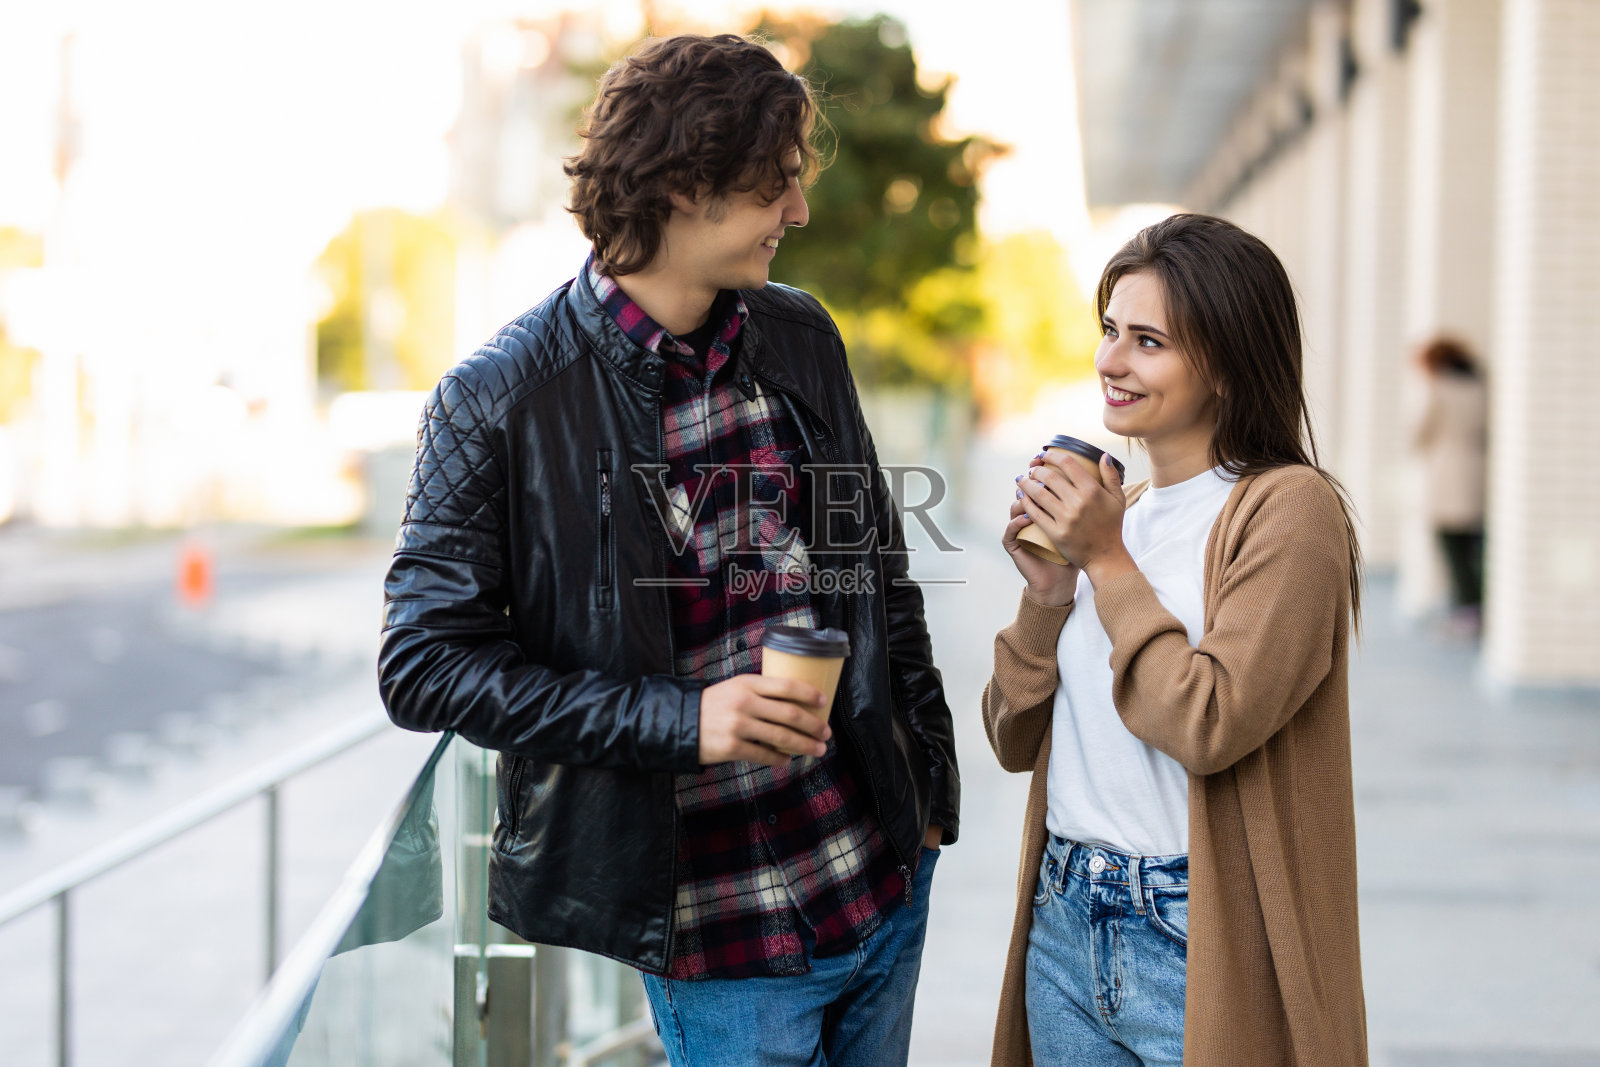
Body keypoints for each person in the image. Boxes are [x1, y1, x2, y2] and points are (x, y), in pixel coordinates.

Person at [377, 33, 957, 1067]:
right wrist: (684, 720)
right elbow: (422, 664)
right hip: (715, 939)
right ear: (689, 186)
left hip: (876, 879)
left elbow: (879, 577)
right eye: (777, 186)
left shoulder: (801, 336)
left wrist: (929, 800)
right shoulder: (499, 397)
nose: (799, 212)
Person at [983, 213, 1368, 1066]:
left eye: (1148, 340)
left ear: (1227, 362)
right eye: (1111, 330)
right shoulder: (1125, 513)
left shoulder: (1287, 510)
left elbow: (1209, 722)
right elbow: (1011, 737)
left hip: (1194, 935)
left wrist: (1106, 562)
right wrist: (1048, 597)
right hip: (1066, 914)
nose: (1111, 362)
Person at [1411, 336, 1488, 631]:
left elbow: (1418, 431)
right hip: (1476, 469)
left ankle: (1466, 610)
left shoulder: (1438, 388)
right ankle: (1470, 607)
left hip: (1447, 473)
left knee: (1451, 546)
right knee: (1471, 546)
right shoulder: (1479, 387)